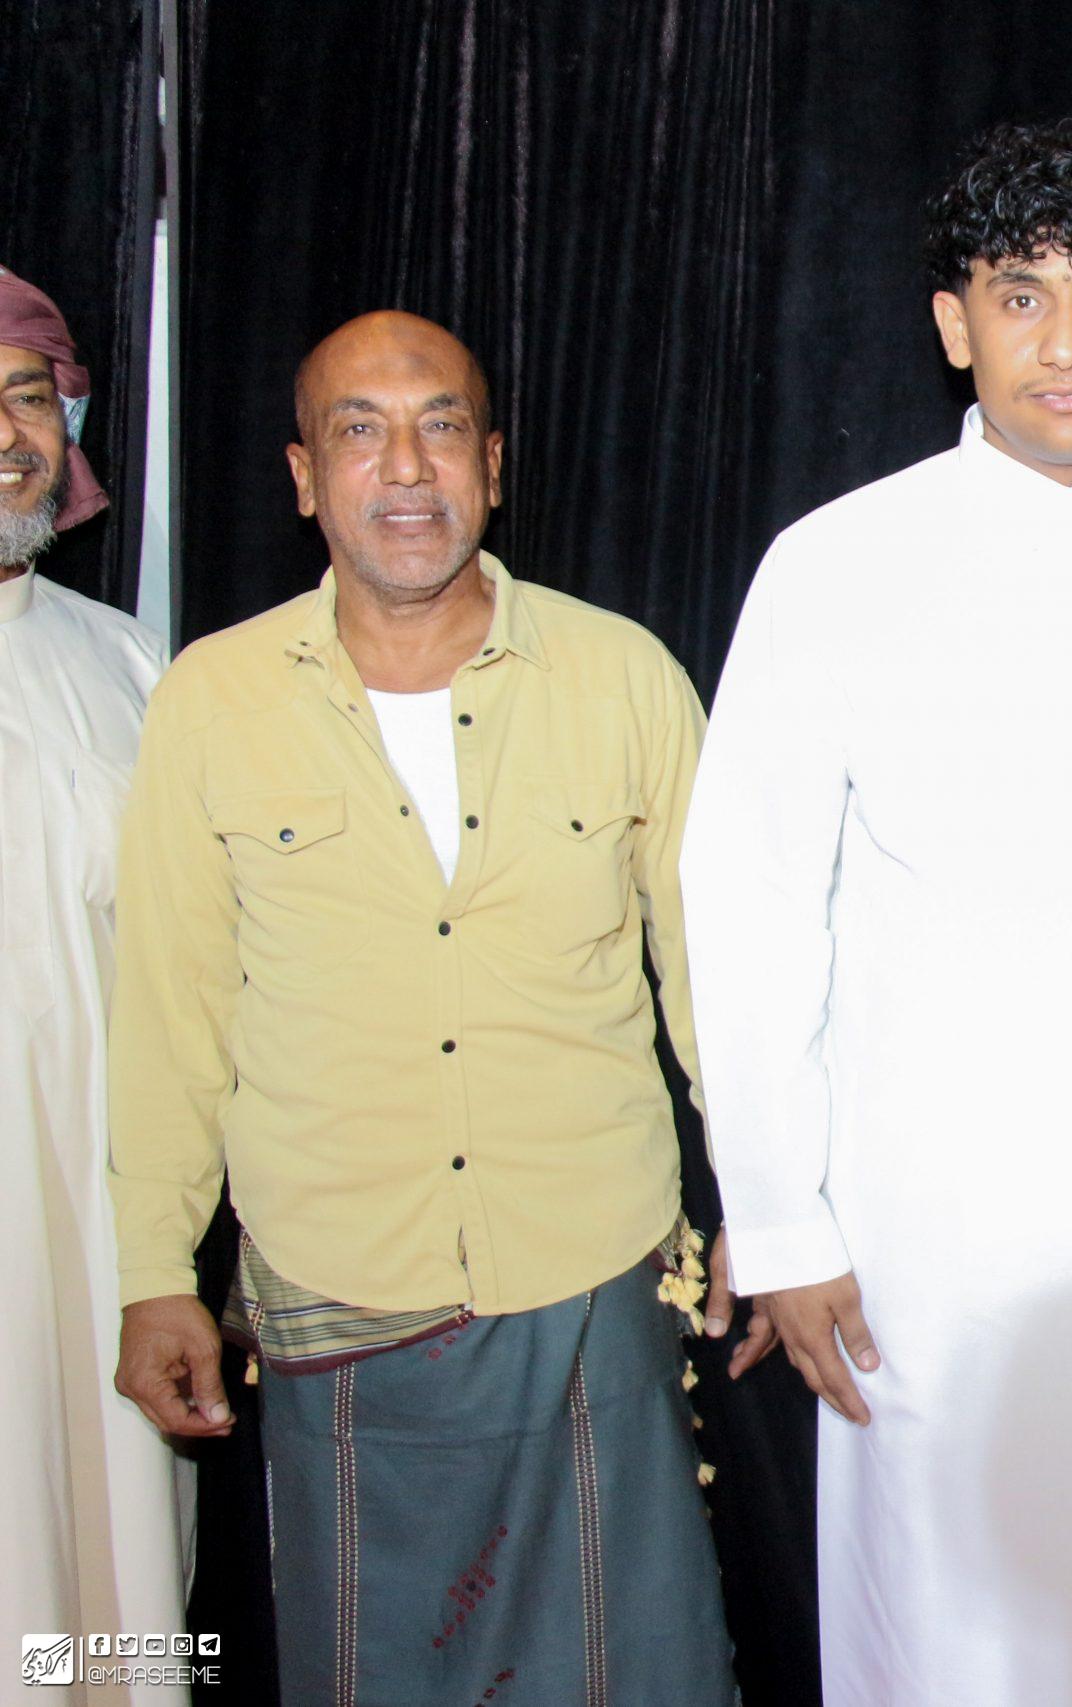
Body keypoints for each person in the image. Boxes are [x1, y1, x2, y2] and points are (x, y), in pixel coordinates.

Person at [680, 120, 1072, 1706]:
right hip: (926, 1250)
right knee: (948, 1638)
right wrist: (782, 1221)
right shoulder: (835, 565)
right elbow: (750, 903)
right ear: (952, 323)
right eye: (1020, 296)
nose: (1064, 342)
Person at [107, 311, 735, 1704]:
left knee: (636, 1667)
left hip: (591, 1274)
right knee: (379, 1669)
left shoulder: (624, 675)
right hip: (341, 1287)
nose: (405, 467)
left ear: (492, 465)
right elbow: (170, 1013)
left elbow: (718, 978)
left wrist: (766, 1194)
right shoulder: (212, 700)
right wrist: (154, 1270)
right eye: (360, 431)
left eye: (441, 426)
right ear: (301, 476)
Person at [0, 267, 190, 1703]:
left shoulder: (132, 667)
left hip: (104, 1231)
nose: (8, 435)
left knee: (107, 1585)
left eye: (29, 398)